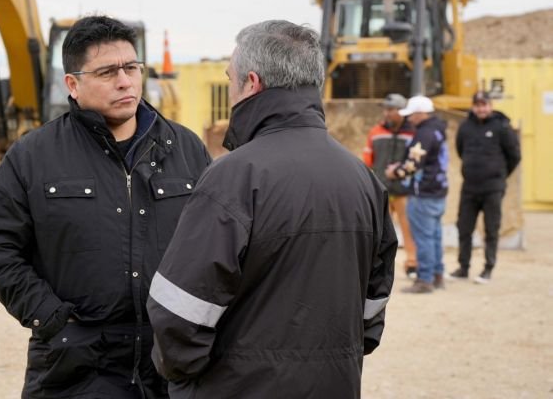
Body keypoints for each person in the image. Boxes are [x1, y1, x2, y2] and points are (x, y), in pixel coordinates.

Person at [147, 20, 397, 398]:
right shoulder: (362, 178)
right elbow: (373, 302)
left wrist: (186, 376)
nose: (230, 89)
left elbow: (179, 312)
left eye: (230, 79)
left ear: (252, 82)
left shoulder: (232, 177)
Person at [0, 15, 211, 399]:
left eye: (132, 67)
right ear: (73, 84)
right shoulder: (33, 156)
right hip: (75, 367)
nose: (125, 81)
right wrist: (52, 319)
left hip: (170, 365)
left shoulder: (186, 149)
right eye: (107, 72)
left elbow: (214, 247)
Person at [450, 91, 521, 284]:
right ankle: (463, 267)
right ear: (473, 106)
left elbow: (515, 156)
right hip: (469, 187)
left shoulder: (502, 127)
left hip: (493, 188)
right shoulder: (465, 127)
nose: (481, 109)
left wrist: (499, 175)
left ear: (490, 105)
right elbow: (460, 150)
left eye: (485, 105)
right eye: (478, 105)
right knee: (464, 228)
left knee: (491, 229)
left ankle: (488, 268)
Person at [387, 95, 449, 294]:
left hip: (423, 193)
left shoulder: (424, 134)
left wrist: (395, 172)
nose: (409, 119)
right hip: (438, 191)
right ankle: (437, 275)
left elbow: (413, 165)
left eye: (412, 115)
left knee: (423, 238)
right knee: (434, 236)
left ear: (421, 113)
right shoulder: (438, 130)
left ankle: (424, 279)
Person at [363, 93, 418, 278]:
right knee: (379, 231)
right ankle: (376, 267)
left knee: (409, 228)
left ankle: (412, 263)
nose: (386, 113)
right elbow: (367, 160)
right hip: (381, 190)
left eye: (391, 110)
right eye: (385, 110)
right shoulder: (375, 132)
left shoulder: (413, 133)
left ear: (402, 111)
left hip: (404, 191)